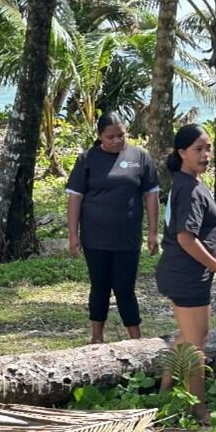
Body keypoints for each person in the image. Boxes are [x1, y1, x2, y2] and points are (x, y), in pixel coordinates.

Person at [66, 111, 159, 344]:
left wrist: (153, 232)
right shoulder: (87, 159)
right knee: (100, 287)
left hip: (127, 238)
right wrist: (73, 235)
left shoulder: (140, 157)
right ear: (100, 137)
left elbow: (151, 195)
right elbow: (75, 197)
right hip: (95, 237)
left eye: (121, 135)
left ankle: (136, 340)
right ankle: (97, 338)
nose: (117, 140)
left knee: (125, 288)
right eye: (111, 137)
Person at [155, 124, 216, 422]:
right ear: (182, 152)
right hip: (186, 275)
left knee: (189, 337)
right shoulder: (189, 189)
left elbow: (199, 234)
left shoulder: (190, 182)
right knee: (198, 344)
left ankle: (164, 391)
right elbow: (186, 238)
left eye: (208, 148)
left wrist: (215, 258)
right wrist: (215, 265)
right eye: (198, 149)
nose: (205, 154)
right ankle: (198, 409)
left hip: (188, 272)